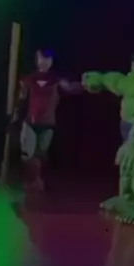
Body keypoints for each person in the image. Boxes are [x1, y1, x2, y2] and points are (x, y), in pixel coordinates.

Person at [82, 51, 134, 225]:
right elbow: (118, 82)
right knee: (127, 167)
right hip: (128, 129)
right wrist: (99, 79)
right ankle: (126, 198)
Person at [12, 48, 79, 191]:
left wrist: (85, 84)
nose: (43, 62)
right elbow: (21, 98)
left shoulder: (56, 80)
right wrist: (16, 115)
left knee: (41, 154)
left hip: (48, 123)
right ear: (36, 60)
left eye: (47, 59)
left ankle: (36, 180)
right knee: (27, 155)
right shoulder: (29, 79)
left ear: (51, 62)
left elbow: (70, 88)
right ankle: (30, 180)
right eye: (41, 58)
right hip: (31, 122)